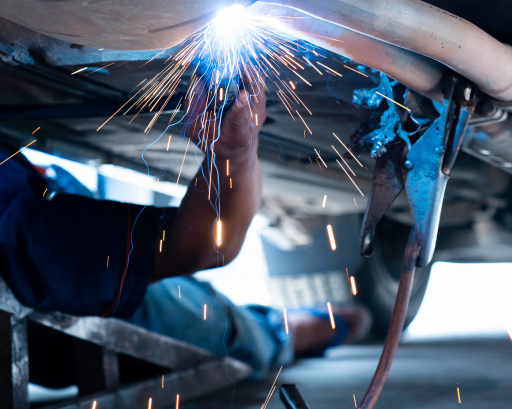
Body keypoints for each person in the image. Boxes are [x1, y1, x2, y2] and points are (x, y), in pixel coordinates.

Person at [0, 84, 369, 380]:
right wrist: (232, 154)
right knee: (223, 326)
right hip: (52, 278)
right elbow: (206, 247)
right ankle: (281, 333)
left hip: (42, 197)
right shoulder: (31, 241)